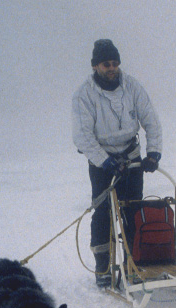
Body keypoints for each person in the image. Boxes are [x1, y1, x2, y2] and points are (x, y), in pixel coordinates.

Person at [72, 39, 162, 287]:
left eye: (114, 63)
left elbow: (151, 120)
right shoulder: (84, 95)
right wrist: (105, 161)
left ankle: (134, 266)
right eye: (106, 64)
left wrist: (153, 153)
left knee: (133, 211)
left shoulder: (132, 87)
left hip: (131, 159)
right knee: (103, 214)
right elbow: (82, 136)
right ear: (95, 66)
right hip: (103, 163)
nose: (111, 68)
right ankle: (103, 270)